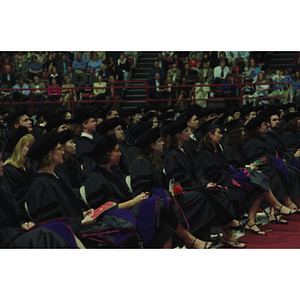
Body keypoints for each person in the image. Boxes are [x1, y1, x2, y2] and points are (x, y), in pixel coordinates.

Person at [86, 133, 210, 249]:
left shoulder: (114, 173)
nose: (120, 154)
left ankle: (183, 243)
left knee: (162, 204)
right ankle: (189, 240)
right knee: (160, 205)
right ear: (107, 154)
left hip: (128, 211)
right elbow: (100, 210)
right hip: (115, 218)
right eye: (116, 151)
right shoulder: (95, 178)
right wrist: (133, 202)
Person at [23, 131, 138, 248]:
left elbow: (67, 210)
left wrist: (83, 214)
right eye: (59, 149)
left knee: (124, 228)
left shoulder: (56, 178)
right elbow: (51, 223)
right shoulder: (41, 185)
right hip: (67, 237)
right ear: (50, 154)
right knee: (119, 235)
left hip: (77, 229)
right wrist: (81, 222)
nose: (63, 152)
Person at [162, 117, 249, 248]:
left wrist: (206, 183)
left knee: (221, 193)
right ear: (177, 135)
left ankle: (227, 233)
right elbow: (179, 179)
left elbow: (197, 172)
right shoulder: (171, 155)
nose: (189, 133)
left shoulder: (185, 151)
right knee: (206, 195)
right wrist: (202, 186)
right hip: (183, 192)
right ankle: (228, 223)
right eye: (186, 131)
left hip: (195, 187)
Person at [222, 118, 294, 224]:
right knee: (263, 179)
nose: (244, 133)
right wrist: (248, 167)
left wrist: (249, 167)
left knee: (264, 177)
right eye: (241, 131)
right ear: (235, 134)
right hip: (235, 178)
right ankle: (277, 207)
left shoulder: (239, 148)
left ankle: (267, 214)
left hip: (245, 174)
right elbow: (232, 167)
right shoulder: (229, 149)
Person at [244, 116, 300, 211]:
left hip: (270, 164)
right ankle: (288, 202)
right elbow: (257, 159)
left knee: (294, 171)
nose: (266, 126)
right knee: (281, 173)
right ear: (257, 128)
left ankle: (292, 201)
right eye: (263, 125)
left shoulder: (263, 139)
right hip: (260, 167)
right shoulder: (252, 142)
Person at [1, 126, 35, 204]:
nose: (32, 150)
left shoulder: (29, 168)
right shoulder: (9, 171)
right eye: (29, 147)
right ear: (19, 148)